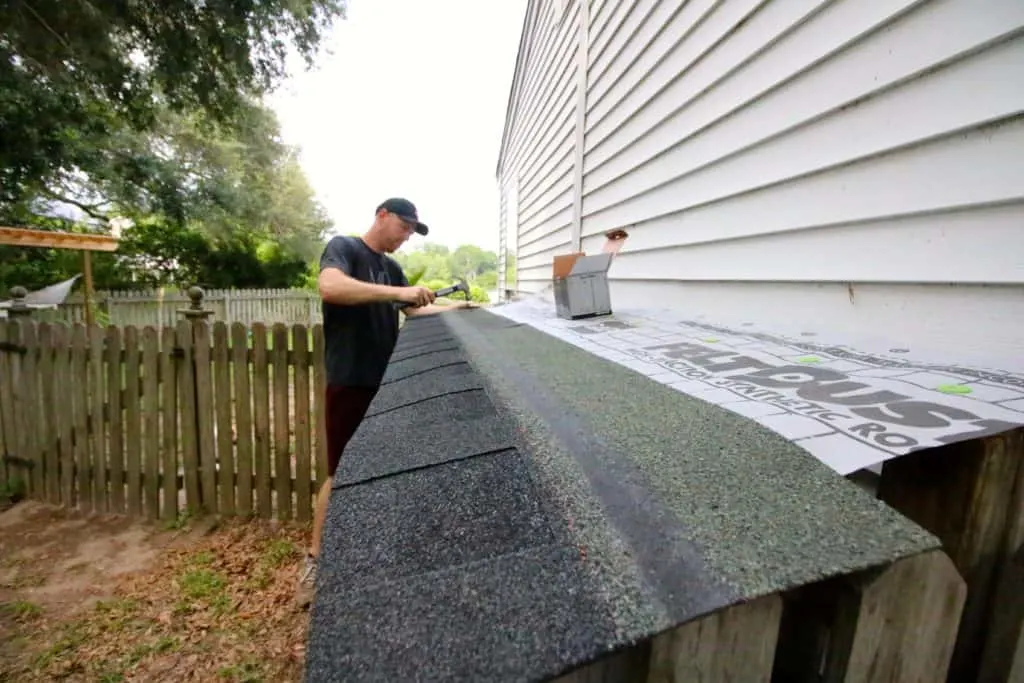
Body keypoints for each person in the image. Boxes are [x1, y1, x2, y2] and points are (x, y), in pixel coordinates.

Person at [295, 197, 473, 608]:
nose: (407, 236)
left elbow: (414, 311)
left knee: (383, 467)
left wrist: (466, 307)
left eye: (412, 231)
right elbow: (330, 287)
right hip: (350, 381)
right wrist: (399, 290)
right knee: (339, 474)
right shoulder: (345, 249)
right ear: (382, 216)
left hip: (387, 385)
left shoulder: (392, 269)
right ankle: (315, 562)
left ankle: (370, 551)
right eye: (405, 227)